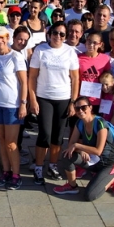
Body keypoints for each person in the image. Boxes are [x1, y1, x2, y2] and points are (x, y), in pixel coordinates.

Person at [28, 21, 80, 185]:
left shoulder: (70, 52)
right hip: (44, 97)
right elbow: (32, 76)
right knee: (44, 134)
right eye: (55, 33)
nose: (58, 36)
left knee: (58, 136)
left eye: (62, 34)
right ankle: (38, 166)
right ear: (49, 34)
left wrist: (73, 101)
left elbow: (75, 78)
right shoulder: (41, 50)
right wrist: (33, 98)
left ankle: (53, 164)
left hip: (63, 98)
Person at [52, 96, 114, 200]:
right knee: (66, 154)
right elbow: (71, 144)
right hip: (93, 161)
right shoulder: (80, 123)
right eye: (77, 109)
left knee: (89, 196)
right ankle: (72, 186)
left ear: (90, 107)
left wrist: (79, 146)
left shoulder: (100, 123)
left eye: (83, 107)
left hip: (109, 164)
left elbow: (98, 151)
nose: (80, 111)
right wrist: (80, 150)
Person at [0, 27, 28, 186]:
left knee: (11, 142)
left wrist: (23, 104)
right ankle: (6, 171)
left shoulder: (16, 57)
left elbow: (24, 82)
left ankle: (16, 175)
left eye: (2, 38)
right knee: (2, 141)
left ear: (7, 37)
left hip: (12, 105)